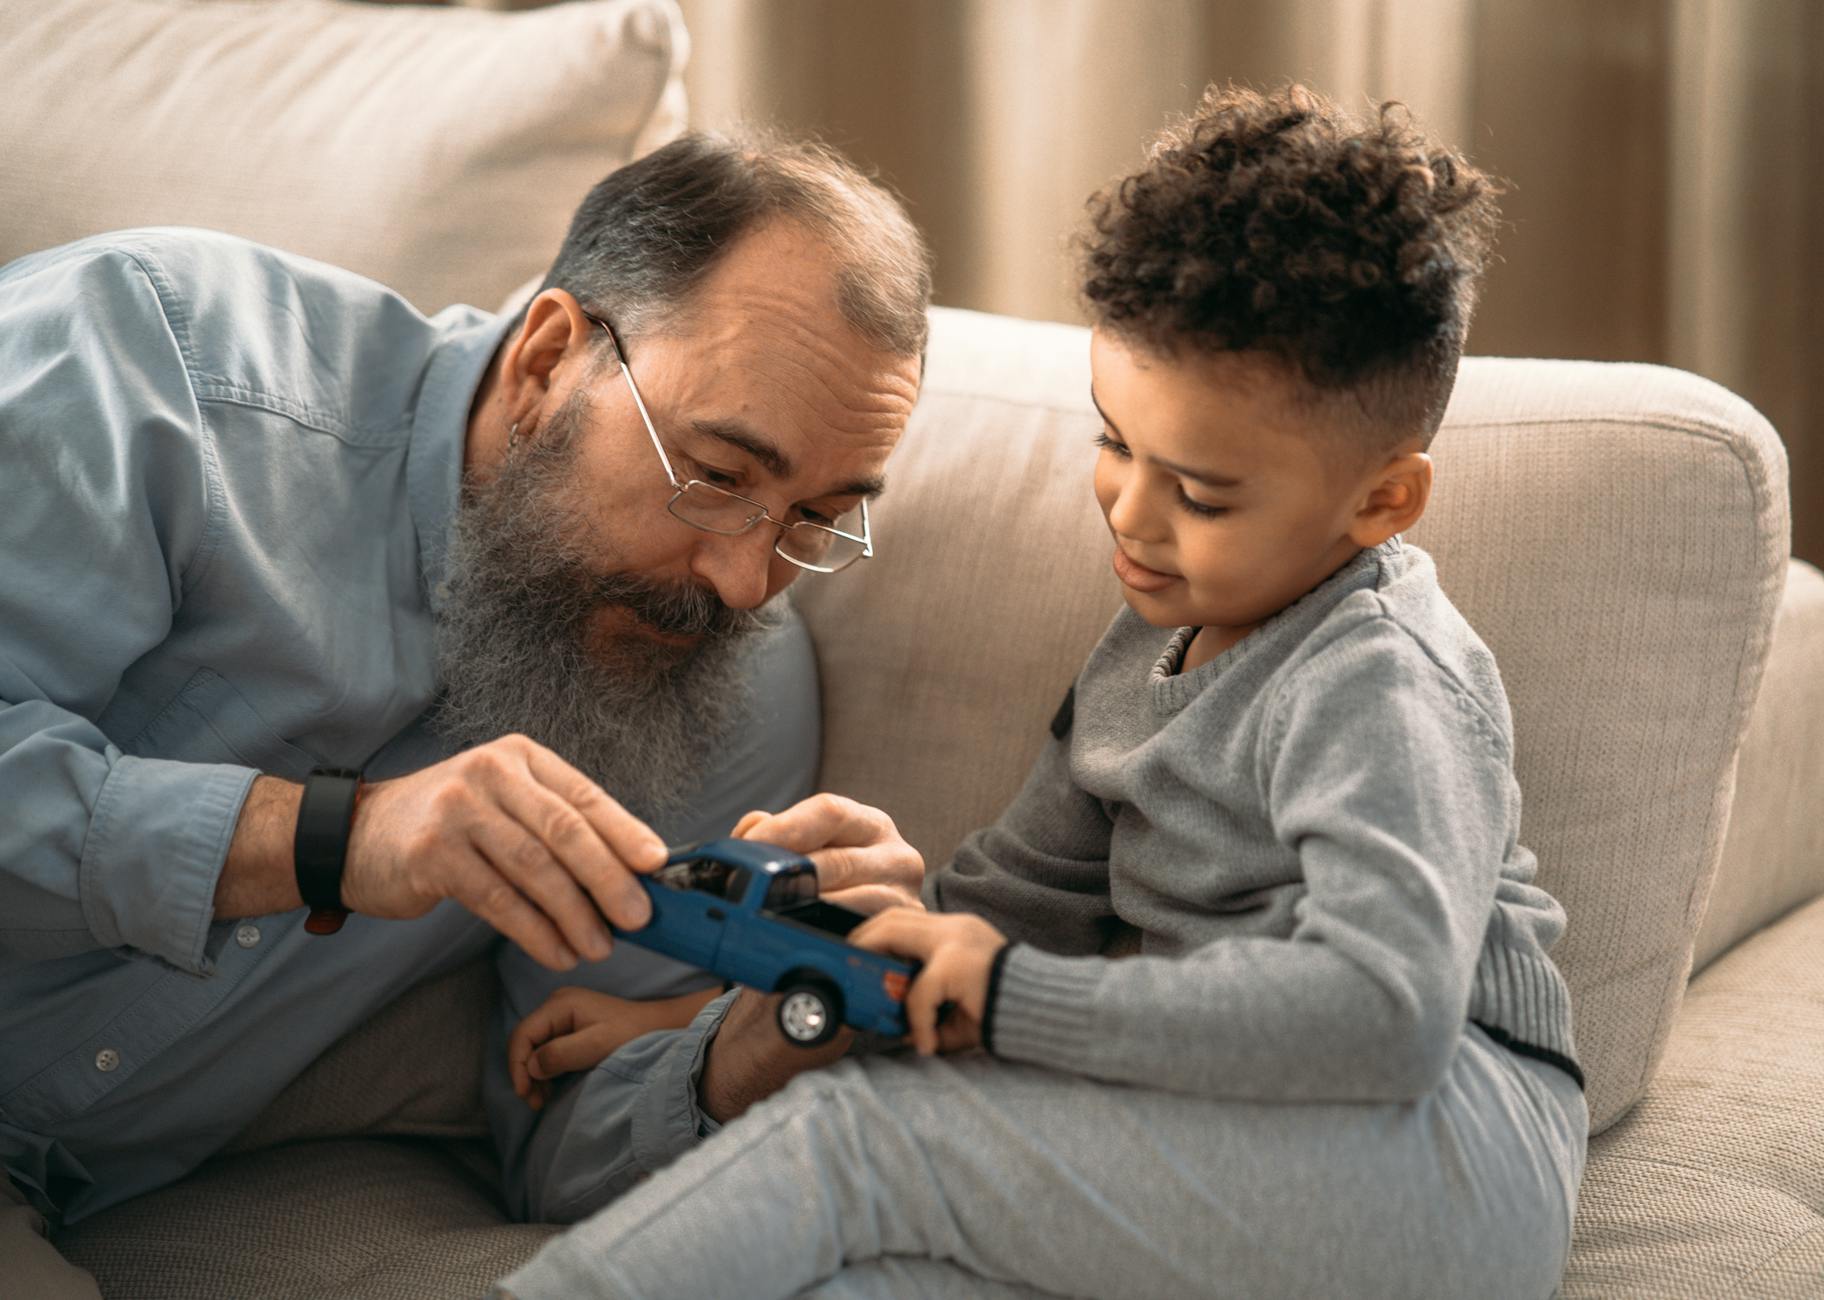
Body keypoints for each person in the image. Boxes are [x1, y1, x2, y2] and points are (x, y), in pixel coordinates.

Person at [495, 84, 1589, 1299]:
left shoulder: (1377, 675)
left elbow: (1383, 1014)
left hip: (1440, 1159)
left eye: (1204, 494)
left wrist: (1012, 999)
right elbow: (1003, 905)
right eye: (1115, 442)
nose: (1129, 509)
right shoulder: (1145, 649)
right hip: (1231, 1132)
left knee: (861, 1141)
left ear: (1382, 501)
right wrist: (701, 1015)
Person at [0, 130, 932, 1294]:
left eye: (816, 518)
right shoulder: (151, 362)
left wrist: (737, 1057)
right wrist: (327, 838)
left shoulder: (725, 675)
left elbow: (559, 1142)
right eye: (718, 476)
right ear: (549, 359)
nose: (745, 583)